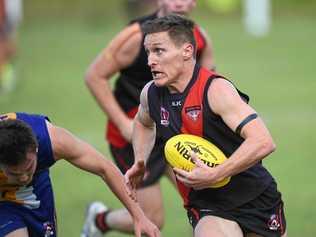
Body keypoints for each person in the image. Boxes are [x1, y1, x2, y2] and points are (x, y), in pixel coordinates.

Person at [125, 14, 287, 237]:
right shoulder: (150, 94)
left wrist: (216, 173)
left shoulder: (215, 90)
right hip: (207, 204)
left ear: (187, 51)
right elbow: (143, 123)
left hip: (256, 198)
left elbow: (263, 142)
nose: (150, 60)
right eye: (148, 52)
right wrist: (140, 161)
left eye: (159, 51)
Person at [82, 0, 214, 236]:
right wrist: (123, 123)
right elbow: (94, 76)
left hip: (174, 134)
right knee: (153, 218)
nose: (180, 3)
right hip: (135, 138)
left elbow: (208, 85)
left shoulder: (199, 38)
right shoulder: (135, 36)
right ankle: (100, 219)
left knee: (209, 201)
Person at [0, 112, 160, 237]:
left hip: (35, 191)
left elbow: (104, 168)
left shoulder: (52, 140)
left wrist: (139, 216)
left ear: (36, 149)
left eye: (28, 168)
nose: (22, 178)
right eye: (14, 173)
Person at [0, 0, 22, 92]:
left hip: (7, 15)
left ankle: (6, 78)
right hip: (12, 14)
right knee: (7, 44)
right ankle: (7, 75)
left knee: (4, 45)